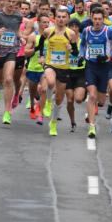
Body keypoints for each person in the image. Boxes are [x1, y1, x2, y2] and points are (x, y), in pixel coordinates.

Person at [79, 8, 112, 138]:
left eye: (100, 19)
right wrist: (82, 55)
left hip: (104, 67)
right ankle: (92, 127)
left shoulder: (108, 32)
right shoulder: (86, 31)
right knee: (92, 96)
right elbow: (82, 45)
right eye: (95, 19)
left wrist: (108, 55)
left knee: (101, 101)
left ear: (103, 19)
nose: (97, 22)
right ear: (91, 19)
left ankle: (97, 106)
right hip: (91, 66)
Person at [39, 8, 78, 136]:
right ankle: (48, 101)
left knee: (60, 99)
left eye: (63, 17)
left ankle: (54, 123)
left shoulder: (71, 33)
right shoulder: (48, 31)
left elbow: (76, 52)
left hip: (63, 67)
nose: (61, 19)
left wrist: (71, 48)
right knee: (50, 82)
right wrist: (41, 55)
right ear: (55, 18)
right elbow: (41, 41)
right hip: (50, 64)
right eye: (59, 17)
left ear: (67, 19)